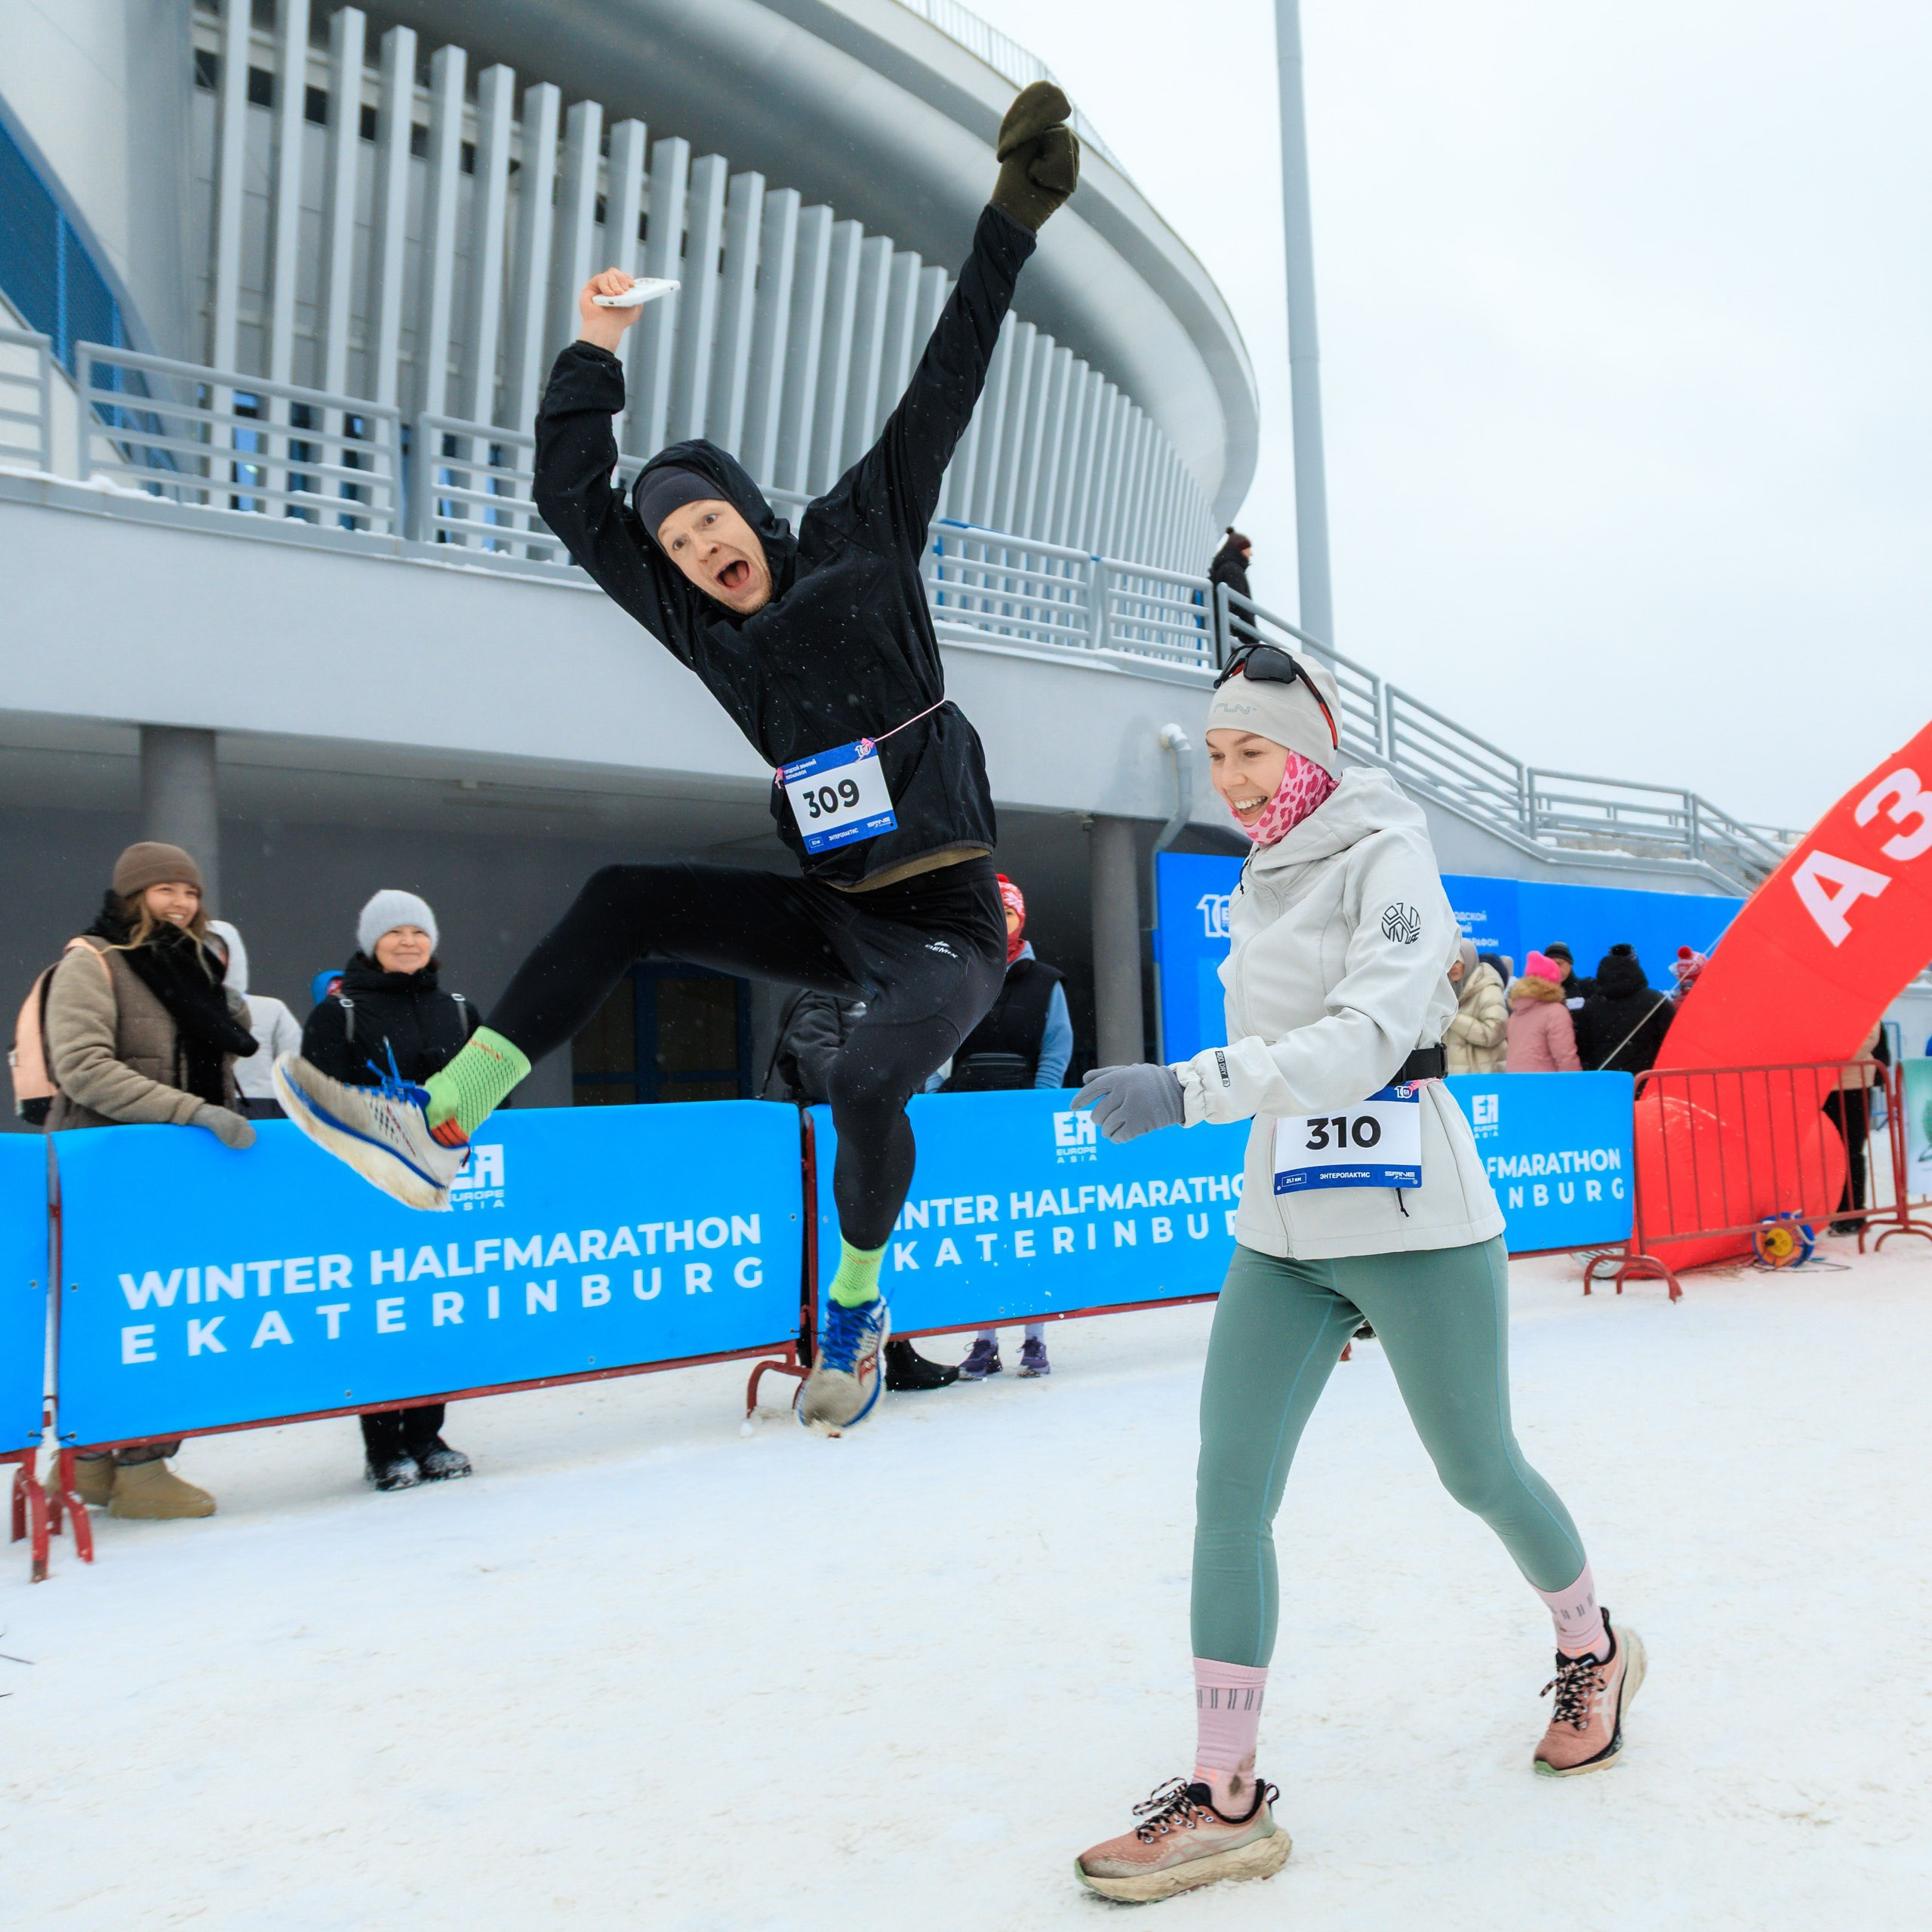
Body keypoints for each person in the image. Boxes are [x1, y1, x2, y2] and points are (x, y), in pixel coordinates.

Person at [273, 85, 1081, 1438]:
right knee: (625, 899)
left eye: (712, 521)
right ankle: (444, 1121)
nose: (702, 548)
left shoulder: (862, 534)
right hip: (835, 909)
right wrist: (595, 347)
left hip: (947, 924)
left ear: (750, 512)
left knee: (866, 1082)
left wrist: (1011, 221)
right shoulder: (706, 632)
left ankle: (859, 1308)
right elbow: (569, 501)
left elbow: (948, 379)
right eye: (678, 542)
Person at [1064, 645, 1638, 1903]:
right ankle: (1225, 1795)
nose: (1231, 778)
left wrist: (1192, 1088)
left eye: (1254, 752)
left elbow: (1367, 1037)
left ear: (1312, 750)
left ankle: (1592, 1647)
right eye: (1217, 755)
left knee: (1478, 1469)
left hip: (1415, 1217)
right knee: (1229, 1492)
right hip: (1283, 1229)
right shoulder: (1261, 868)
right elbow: (1287, 1048)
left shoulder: (1390, 856)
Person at [45, 843, 257, 1521]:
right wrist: (191, 1112)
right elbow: (83, 1067)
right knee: (129, 1317)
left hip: (180, 1174)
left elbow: (213, 1055)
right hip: (114, 1173)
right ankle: (135, 1469)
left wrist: (223, 1012)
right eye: (166, 890)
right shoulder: (92, 962)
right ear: (133, 895)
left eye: (190, 892)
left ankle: (95, 1464)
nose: (182, 903)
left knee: (163, 1313)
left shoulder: (193, 967)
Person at [302, 891, 478, 1491]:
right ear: (371, 943)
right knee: (383, 1311)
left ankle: (428, 1435)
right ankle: (383, 1445)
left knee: (439, 1308)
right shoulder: (339, 1013)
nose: (408, 941)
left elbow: (495, 1096)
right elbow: (321, 1105)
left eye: (418, 932)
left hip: (446, 1186)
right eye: (394, 932)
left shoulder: (460, 1010)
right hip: (370, 1188)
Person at [762, 986, 960, 1393]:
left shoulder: (882, 992)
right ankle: (828, 1360)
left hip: (869, 1139)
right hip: (826, 1147)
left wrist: (895, 1083)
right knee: (828, 1253)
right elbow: (819, 1070)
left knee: (877, 1244)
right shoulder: (818, 993)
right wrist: (883, 1084)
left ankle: (894, 1349)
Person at [949, 873, 1073, 1380]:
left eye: (1007, 913)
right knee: (981, 1232)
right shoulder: (959, 973)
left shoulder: (1045, 980)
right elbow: (939, 1043)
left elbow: (1057, 1046)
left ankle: (1035, 1339)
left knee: (1028, 1232)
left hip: (1023, 1122)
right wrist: (936, 1098)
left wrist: (1037, 1106)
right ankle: (984, 1341)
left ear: (1021, 918)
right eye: (991, 912)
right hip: (968, 1120)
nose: (999, 923)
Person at [206, 920, 300, 1118]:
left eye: (215, 951)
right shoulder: (171, 1009)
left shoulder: (271, 1009)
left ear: (232, 955)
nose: (206, 958)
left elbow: (294, 1066)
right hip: (199, 1110)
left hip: (263, 1110)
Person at [1823, 1020, 1890, 1235]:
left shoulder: (1863, 1010)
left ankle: (1852, 1213)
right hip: (1822, 1082)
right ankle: (1831, 1210)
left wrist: (1827, 1057)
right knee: (1828, 1152)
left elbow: (1869, 1038)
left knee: (1850, 1149)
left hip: (1852, 1083)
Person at [1573, 943, 1673, 1075]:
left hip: (1606, 1078)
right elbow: (1671, 1040)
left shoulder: (1591, 1005)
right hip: (1647, 1078)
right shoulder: (1655, 1000)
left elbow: (1582, 1047)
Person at [1506, 950, 1582, 1072]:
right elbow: (1565, 1056)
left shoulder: (1516, 1012)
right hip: (1546, 1081)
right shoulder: (1556, 1012)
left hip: (1516, 1079)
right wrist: (1576, 1081)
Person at [1443, 937, 1506, 1075]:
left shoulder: (1488, 989)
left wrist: (1453, 1017)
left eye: (1457, 962)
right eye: (1449, 962)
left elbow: (1493, 1033)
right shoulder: (1448, 992)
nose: (1453, 967)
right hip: (1456, 1078)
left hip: (1483, 1076)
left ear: (1469, 960)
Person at [1208, 528, 1256, 647]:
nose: (1251, 553)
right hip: (1231, 634)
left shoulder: (1223, 568)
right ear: (1239, 550)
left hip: (1222, 631)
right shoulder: (1233, 569)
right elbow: (1238, 603)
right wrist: (1252, 635)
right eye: (1247, 549)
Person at [1543, 940, 1590, 1008]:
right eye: (1550, 964)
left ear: (1570, 964)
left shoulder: (1587, 988)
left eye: (1559, 964)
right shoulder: (1537, 994)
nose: (1555, 968)